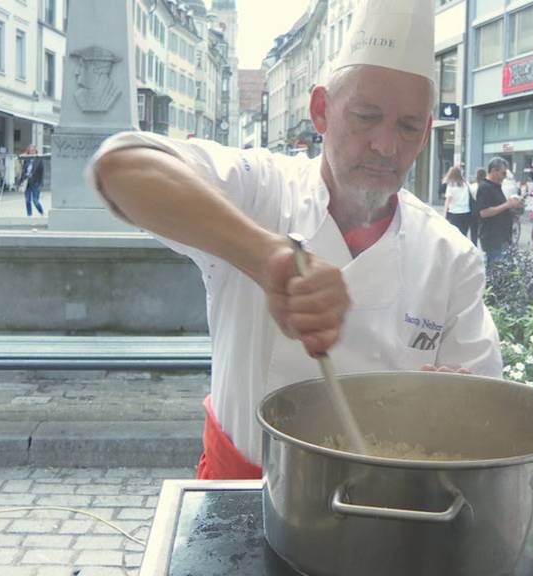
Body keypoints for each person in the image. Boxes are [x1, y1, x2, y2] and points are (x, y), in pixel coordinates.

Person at [86, 0, 502, 480]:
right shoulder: (261, 189)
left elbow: (483, 411)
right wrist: (266, 257)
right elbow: (120, 166)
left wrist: (458, 406)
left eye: (408, 127)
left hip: (392, 509)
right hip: (240, 497)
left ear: (427, 132)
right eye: (366, 116)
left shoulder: (452, 257)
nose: (386, 146)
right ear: (321, 110)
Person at [476, 157, 522, 267]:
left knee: (504, 271)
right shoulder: (485, 187)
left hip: (503, 237)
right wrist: (507, 205)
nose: (505, 176)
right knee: (496, 271)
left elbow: (500, 208)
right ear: (494, 171)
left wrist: (513, 206)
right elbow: (484, 212)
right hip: (493, 239)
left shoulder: (497, 187)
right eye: (503, 173)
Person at [442, 165, 471, 236]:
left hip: (454, 212)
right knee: (463, 234)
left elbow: (448, 201)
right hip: (466, 212)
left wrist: (444, 214)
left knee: (454, 235)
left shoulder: (451, 186)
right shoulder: (466, 184)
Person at [20, 145, 45, 217]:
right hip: (27, 182)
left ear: (35, 151)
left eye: (33, 150)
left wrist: (41, 183)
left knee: (35, 200)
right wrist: (21, 181)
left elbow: (42, 172)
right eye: (30, 150)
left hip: (36, 182)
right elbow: (23, 171)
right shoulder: (26, 159)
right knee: (27, 200)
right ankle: (29, 215)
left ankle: (41, 212)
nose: (32, 152)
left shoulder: (39, 160)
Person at [469, 167, 486, 245]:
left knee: (474, 231)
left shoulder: (472, 186)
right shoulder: (486, 186)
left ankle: (474, 245)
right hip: (485, 210)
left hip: (474, 210)